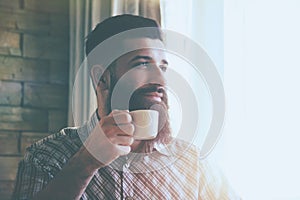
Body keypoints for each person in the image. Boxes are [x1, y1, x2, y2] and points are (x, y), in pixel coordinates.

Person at [12, 14, 238, 200]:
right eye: (142, 64)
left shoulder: (191, 163)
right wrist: (87, 162)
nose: (161, 80)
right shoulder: (45, 158)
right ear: (102, 78)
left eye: (163, 67)